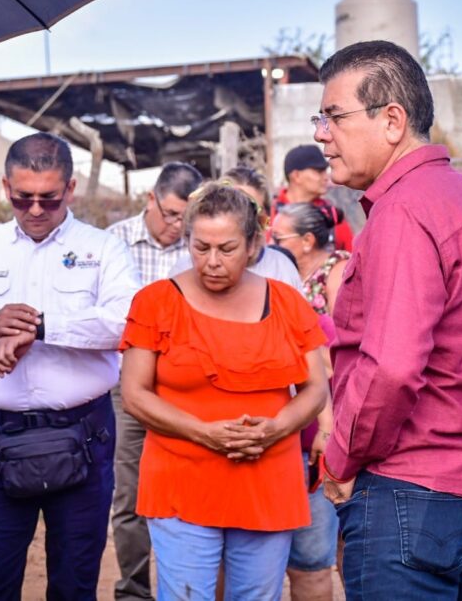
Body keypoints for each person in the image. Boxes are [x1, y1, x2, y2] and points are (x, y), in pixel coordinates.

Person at [315, 40, 462, 600]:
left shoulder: (404, 211)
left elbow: (389, 368)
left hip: (414, 495)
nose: (321, 133)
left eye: (333, 116)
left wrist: (340, 459)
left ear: (392, 120)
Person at [0, 132, 139, 600]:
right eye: (22, 197)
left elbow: (127, 322)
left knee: (74, 585)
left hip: (83, 437)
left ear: (70, 189)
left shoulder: (103, 249)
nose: (33, 209)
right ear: (5, 187)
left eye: (48, 199)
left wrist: (42, 327)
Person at [119, 181, 329, 600]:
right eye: (201, 247)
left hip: (267, 478)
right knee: (187, 594)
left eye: (227, 249)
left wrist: (275, 428)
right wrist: (203, 432)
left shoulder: (286, 302)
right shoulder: (156, 302)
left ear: (254, 245)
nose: (212, 262)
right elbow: (135, 393)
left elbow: (315, 385)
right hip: (182, 477)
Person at [106, 161, 203, 601]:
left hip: (188, 390)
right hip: (127, 389)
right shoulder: (115, 243)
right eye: (169, 214)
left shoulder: (201, 247)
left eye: (185, 216)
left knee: (191, 492)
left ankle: (186, 587)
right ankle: (133, 590)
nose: (176, 225)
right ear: (151, 199)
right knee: (129, 497)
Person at [271, 202, 348, 601]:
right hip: (259, 457)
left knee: (313, 559)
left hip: (313, 455)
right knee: (249, 565)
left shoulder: (320, 321)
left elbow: (338, 371)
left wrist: (330, 428)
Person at [170, 166, 302, 291]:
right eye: (230, 206)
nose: (213, 262)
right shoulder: (183, 270)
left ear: (265, 218)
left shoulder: (281, 270)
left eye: (251, 210)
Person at [274, 145, 353, 252]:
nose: (326, 177)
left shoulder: (332, 216)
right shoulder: (270, 214)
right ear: (296, 176)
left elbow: (351, 259)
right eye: (319, 171)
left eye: (325, 171)